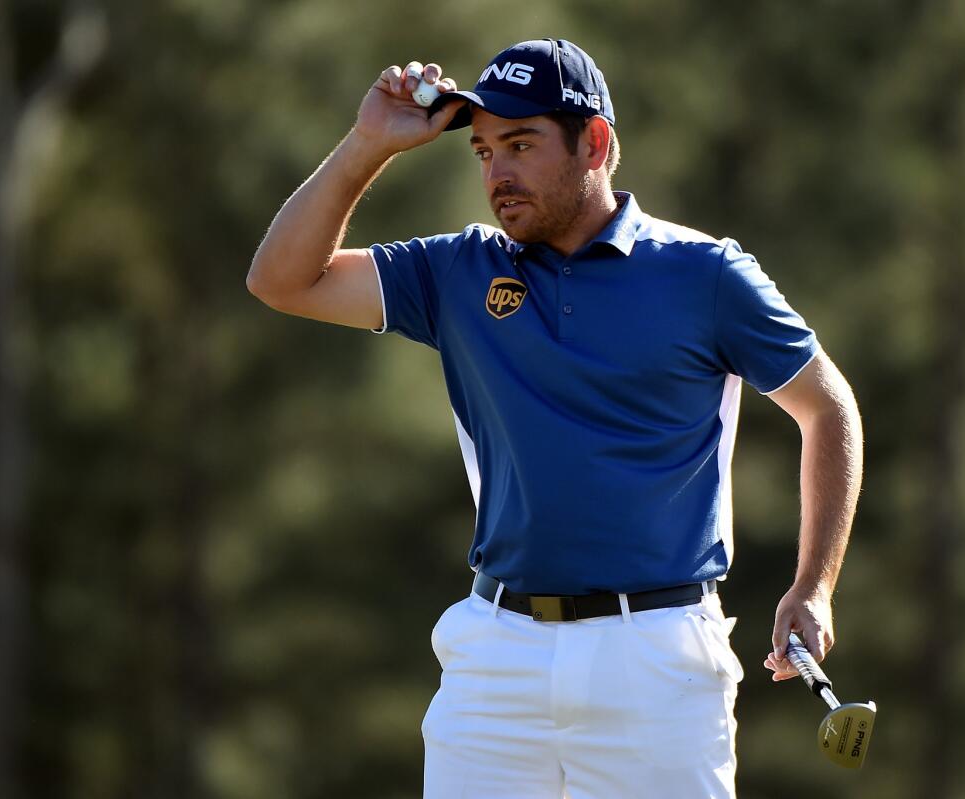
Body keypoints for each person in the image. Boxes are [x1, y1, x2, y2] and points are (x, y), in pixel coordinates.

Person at [247, 38, 863, 799]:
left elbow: (826, 405)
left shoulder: (704, 274)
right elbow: (280, 279)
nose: (497, 173)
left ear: (595, 143)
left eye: (521, 144)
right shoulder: (459, 271)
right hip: (495, 656)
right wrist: (369, 144)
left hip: (656, 659)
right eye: (482, 151)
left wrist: (814, 584)